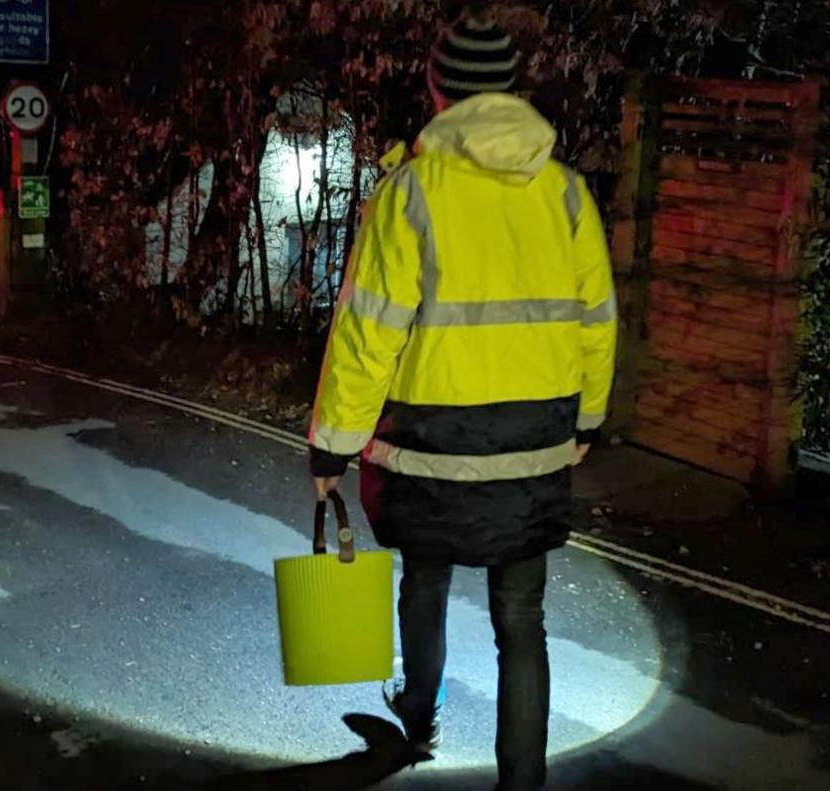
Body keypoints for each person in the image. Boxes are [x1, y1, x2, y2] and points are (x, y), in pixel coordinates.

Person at [306, 12, 616, 791]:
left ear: (438, 90)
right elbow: (596, 322)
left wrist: (332, 446)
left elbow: (367, 333)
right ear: (512, 91)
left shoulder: (410, 193)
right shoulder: (568, 195)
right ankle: (522, 782)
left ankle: (416, 720)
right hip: (536, 441)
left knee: (426, 578)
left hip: (430, 442)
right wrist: (588, 421)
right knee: (523, 621)